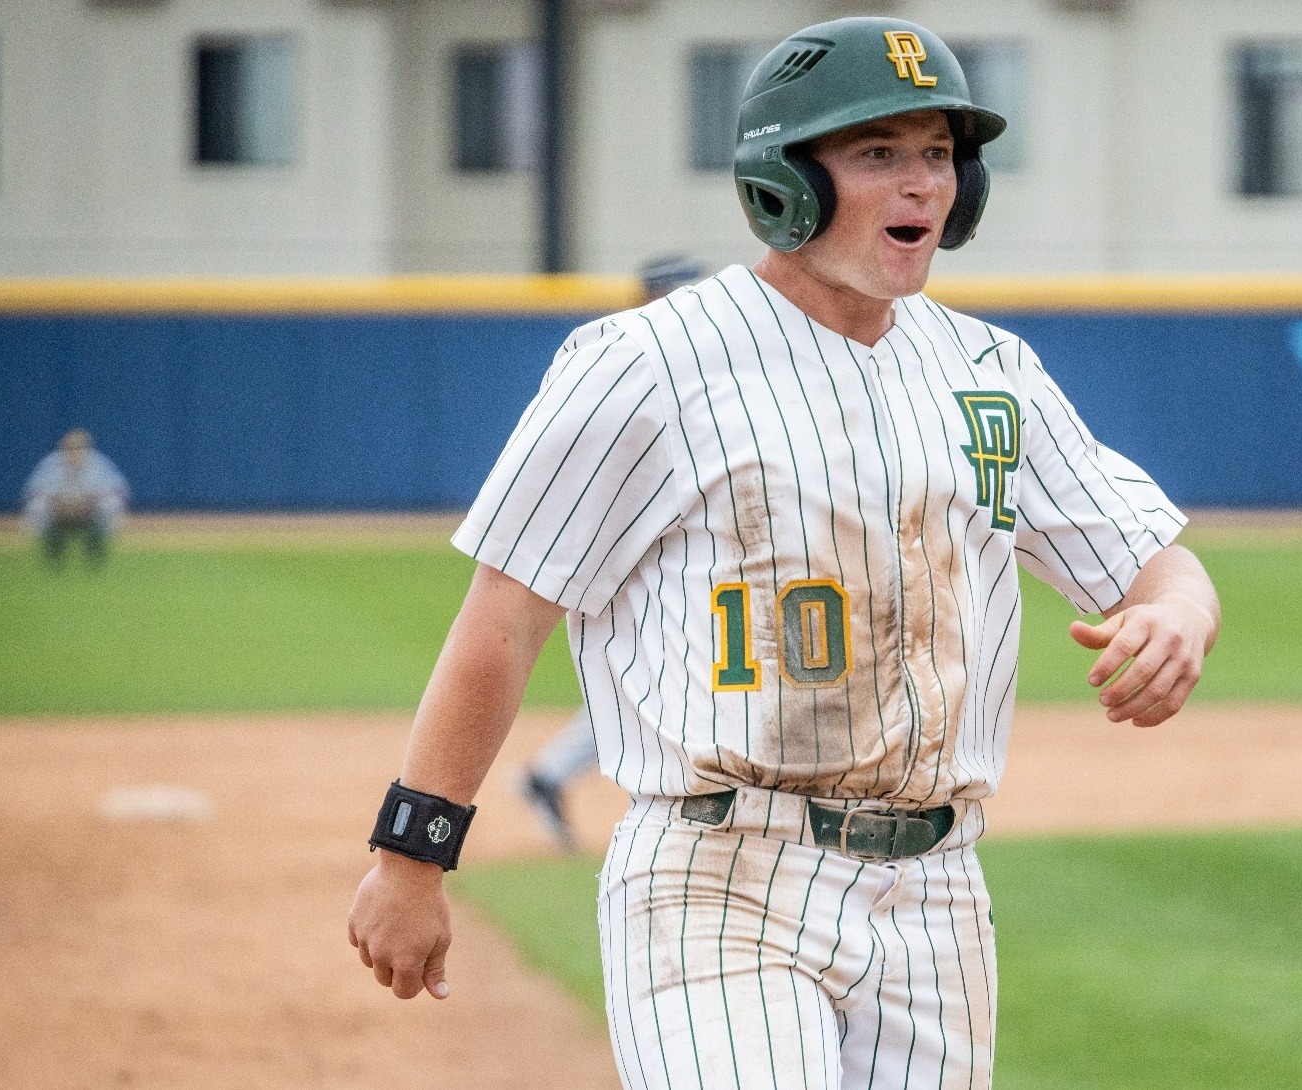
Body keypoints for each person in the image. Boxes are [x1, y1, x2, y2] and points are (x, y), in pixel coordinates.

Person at [347, 18, 1219, 1089]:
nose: (921, 187)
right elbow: (506, 616)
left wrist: (1177, 614)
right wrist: (412, 852)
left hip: (938, 898)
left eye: (939, 154)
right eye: (878, 153)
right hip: (721, 877)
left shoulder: (993, 369)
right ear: (783, 181)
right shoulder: (649, 361)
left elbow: (1157, 562)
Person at [519, 257, 709, 853]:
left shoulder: (687, 368)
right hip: (631, 561)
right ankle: (552, 777)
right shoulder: (620, 367)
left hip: (662, 555)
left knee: (654, 682)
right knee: (657, 683)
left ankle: (549, 776)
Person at [21, 428, 129, 569]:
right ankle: (53, 556)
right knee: (37, 506)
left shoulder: (98, 464)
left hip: (90, 513)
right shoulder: (51, 464)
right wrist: (59, 508)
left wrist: (88, 506)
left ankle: (96, 556)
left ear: (87, 449)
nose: (74, 452)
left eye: (79, 448)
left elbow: (118, 491)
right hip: (58, 512)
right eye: (70, 448)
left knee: (111, 505)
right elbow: (33, 492)